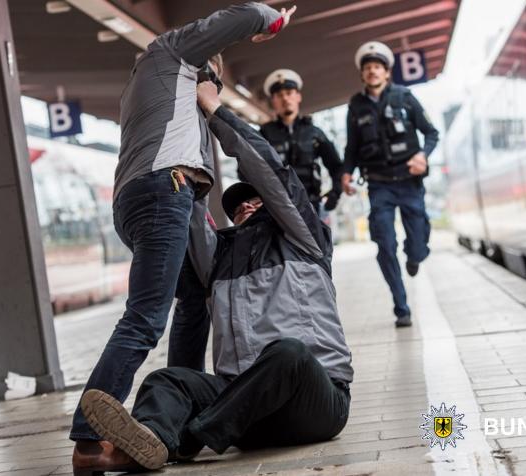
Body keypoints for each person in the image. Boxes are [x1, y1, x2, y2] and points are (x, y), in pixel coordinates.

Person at [76, 79, 353, 473]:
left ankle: (185, 439)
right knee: (167, 380)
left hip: (314, 401)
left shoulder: (306, 239)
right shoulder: (217, 260)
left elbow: (270, 171)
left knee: (288, 353)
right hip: (244, 414)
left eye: (257, 200)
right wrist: (183, 134)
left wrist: (216, 113)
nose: (248, 207)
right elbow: (190, 204)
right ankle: (149, 442)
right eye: (239, 206)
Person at [70, 3, 298, 473]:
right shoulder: (169, 51)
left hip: (161, 198)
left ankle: (177, 412)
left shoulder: (149, 92)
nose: (210, 79)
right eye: (210, 69)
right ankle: (88, 441)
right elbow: (235, 17)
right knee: (146, 317)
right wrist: (270, 22)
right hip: (163, 192)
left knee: (194, 297)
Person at [341, 41, 439, 328]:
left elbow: (431, 133)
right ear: (363, 75)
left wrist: (423, 155)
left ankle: (416, 253)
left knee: (418, 243)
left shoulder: (405, 97)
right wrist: (346, 174)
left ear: (386, 72)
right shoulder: (356, 106)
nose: (372, 71)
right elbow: (352, 148)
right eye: (367, 68)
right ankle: (401, 307)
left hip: (409, 182)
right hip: (380, 185)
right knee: (384, 244)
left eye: (377, 67)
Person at [260, 69, 343, 214]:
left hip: (311, 206)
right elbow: (247, 170)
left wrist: (336, 192)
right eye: (279, 95)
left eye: (289, 93)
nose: (285, 99)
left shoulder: (314, 133)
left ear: (298, 96)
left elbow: (336, 166)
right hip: (276, 208)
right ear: (273, 101)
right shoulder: (264, 134)